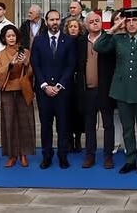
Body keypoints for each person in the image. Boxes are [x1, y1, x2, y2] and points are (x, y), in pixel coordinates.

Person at [94, 8, 137, 175]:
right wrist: (115, 27)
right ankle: (130, 159)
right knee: (127, 129)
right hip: (122, 91)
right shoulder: (118, 39)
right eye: (128, 21)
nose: (131, 24)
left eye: (134, 21)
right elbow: (98, 46)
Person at [31, 9, 76, 169]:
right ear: (46, 21)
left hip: (62, 92)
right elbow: (35, 65)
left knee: (63, 126)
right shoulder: (38, 41)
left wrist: (58, 85)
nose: (55, 22)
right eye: (51, 20)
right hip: (44, 92)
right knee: (46, 126)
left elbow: (71, 66)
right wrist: (44, 86)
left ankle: (63, 156)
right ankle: (47, 156)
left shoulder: (68, 41)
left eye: (57, 19)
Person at [0, 24, 36, 168]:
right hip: (8, 90)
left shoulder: (26, 52)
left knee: (25, 122)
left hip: (23, 89)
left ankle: (23, 154)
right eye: (8, 36)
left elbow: (32, 72)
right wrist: (10, 65)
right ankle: (12, 155)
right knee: (8, 122)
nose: (11, 38)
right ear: (4, 38)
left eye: (13, 35)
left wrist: (25, 63)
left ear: (17, 37)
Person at [79, 11, 116, 169]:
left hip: (105, 89)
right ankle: (90, 155)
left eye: (98, 20)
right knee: (89, 124)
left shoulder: (109, 40)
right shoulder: (80, 42)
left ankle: (108, 156)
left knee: (108, 124)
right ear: (86, 25)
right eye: (91, 21)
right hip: (88, 90)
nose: (95, 23)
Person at [65, 18, 85, 154]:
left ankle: (78, 138)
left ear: (80, 29)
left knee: (79, 111)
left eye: (75, 27)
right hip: (66, 81)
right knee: (67, 111)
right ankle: (68, 139)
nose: (73, 29)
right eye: (71, 26)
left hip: (79, 81)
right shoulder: (63, 41)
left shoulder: (83, 42)